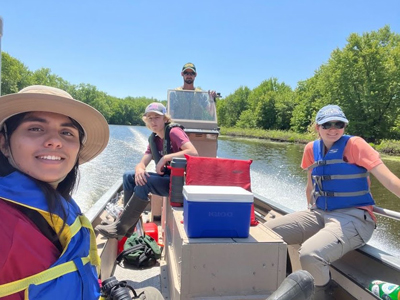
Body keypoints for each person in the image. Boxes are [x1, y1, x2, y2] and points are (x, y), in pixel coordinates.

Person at [265, 104, 400, 299]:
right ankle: (280, 287)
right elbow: (310, 187)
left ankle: (323, 294)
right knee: (268, 234)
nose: (333, 129)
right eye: (327, 124)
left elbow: (389, 180)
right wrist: (309, 214)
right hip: (319, 213)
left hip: (355, 218)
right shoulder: (311, 149)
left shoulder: (356, 145)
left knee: (310, 255)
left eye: (339, 124)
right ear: (317, 127)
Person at [0, 85, 109, 300]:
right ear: (4, 143)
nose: (55, 141)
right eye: (35, 129)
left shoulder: (59, 204)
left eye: (67, 132)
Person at [95, 102, 198, 240]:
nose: (153, 121)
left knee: (145, 182)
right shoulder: (153, 139)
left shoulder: (174, 132)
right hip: (166, 180)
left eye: (157, 117)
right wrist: (139, 169)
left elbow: (193, 152)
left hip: (180, 183)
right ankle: (127, 225)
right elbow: (143, 162)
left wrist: (165, 158)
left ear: (165, 119)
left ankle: (120, 228)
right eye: (149, 118)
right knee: (128, 176)